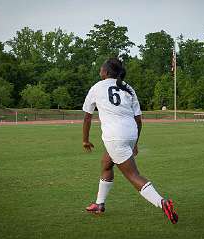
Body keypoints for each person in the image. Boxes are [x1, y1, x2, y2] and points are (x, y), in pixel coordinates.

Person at [82, 58, 178, 224]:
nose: (99, 71)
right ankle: (99, 204)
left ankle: (162, 203)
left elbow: (87, 118)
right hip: (130, 132)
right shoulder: (128, 88)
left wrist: (85, 140)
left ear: (105, 72)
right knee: (106, 164)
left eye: (101, 69)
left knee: (133, 175)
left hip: (114, 136)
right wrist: (134, 143)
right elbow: (139, 120)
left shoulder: (97, 87)